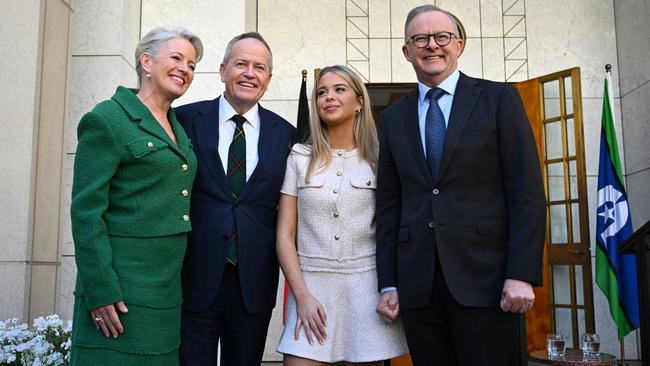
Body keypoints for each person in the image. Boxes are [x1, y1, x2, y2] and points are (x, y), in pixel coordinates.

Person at [375, 5, 546, 366]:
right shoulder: (393, 117)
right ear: (407, 51)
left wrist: (521, 273)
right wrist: (388, 282)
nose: (431, 45)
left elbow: (526, 193)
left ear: (459, 44)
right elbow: (390, 204)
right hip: (419, 286)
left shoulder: (499, 99)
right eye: (420, 38)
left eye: (442, 36)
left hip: (488, 281)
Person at [69, 27, 203, 366]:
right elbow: (86, 213)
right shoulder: (107, 119)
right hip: (121, 286)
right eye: (176, 58)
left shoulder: (176, 125)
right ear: (146, 61)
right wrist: (100, 290)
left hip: (166, 289)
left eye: (191, 64)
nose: (185, 69)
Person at [175, 32, 296, 366]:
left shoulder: (286, 133)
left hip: (253, 281)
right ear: (223, 70)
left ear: (268, 80)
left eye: (259, 67)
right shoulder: (184, 120)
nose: (249, 73)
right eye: (241, 64)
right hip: (194, 274)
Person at [276, 65, 408, 366]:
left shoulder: (380, 159)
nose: (328, 97)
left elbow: (394, 230)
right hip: (311, 288)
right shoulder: (299, 157)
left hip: (367, 291)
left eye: (339, 90)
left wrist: (392, 287)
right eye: (321, 92)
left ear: (359, 101)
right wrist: (302, 297)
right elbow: (284, 236)